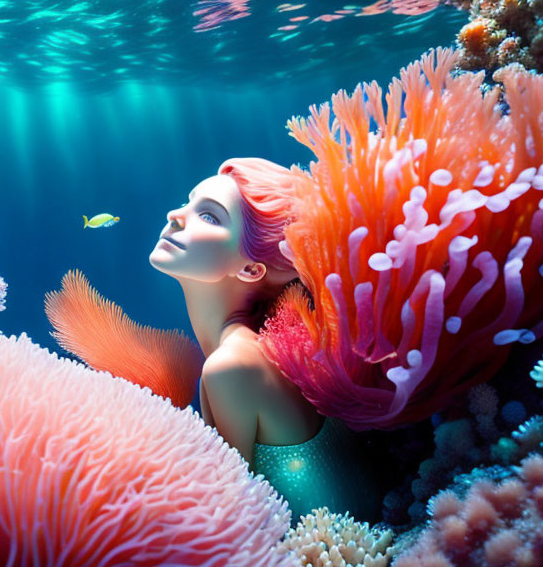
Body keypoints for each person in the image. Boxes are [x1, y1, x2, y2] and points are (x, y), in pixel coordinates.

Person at [149, 157, 378, 519]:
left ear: (252, 269)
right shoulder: (266, 349)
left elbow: (227, 518)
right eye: (188, 201)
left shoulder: (232, 367)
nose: (175, 215)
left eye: (209, 216)